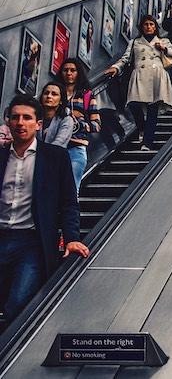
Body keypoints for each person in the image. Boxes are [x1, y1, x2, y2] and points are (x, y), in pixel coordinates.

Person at [0, 95, 89, 323]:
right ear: (8, 122)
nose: (21, 122)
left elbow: (69, 202)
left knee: (18, 304)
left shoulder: (55, 157)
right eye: (15, 117)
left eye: (27, 118)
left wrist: (71, 238)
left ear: (38, 124)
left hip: (31, 242)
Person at [104, 16, 172, 150]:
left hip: (157, 77)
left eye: (151, 24)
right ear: (142, 27)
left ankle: (147, 142)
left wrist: (165, 49)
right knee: (134, 104)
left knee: (153, 110)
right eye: (145, 24)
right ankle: (142, 128)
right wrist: (116, 68)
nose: (148, 27)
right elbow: (125, 59)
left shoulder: (163, 41)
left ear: (155, 27)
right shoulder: (135, 42)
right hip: (139, 76)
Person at [56, 58, 101, 193]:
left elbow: (97, 125)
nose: (69, 73)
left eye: (73, 70)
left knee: (72, 189)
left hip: (76, 147)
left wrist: (80, 125)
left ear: (78, 73)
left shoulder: (86, 95)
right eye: (65, 70)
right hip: (55, 146)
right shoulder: (54, 93)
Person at [40, 81, 75, 149]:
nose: (49, 96)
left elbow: (58, 144)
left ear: (61, 100)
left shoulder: (66, 120)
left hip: (54, 156)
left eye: (54, 94)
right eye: (46, 93)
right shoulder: (35, 116)